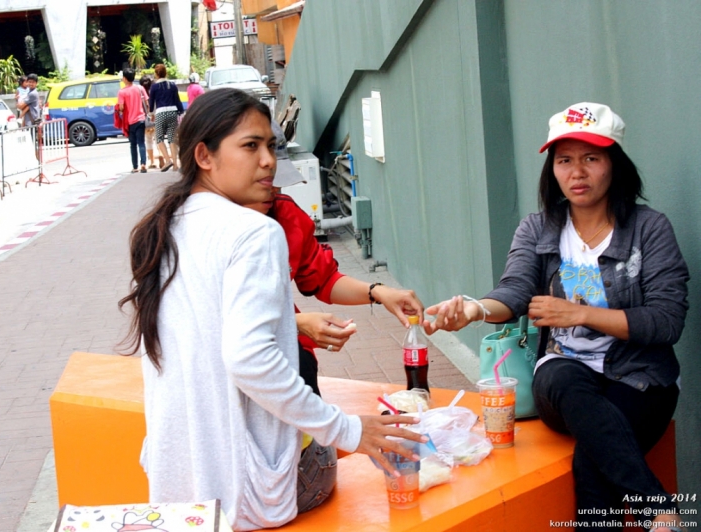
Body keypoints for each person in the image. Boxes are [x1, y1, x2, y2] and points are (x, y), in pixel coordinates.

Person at [119, 88, 427, 531]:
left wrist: (375, 291)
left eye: (270, 146)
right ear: (204, 156)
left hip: (180, 484)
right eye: (250, 146)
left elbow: (316, 281)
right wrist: (349, 431)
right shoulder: (252, 231)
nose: (268, 161)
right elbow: (249, 358)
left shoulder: (165, 227)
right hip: (248, 488)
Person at [425, 102, 688, 532]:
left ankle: (656, 514)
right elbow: (513, 291)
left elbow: (666, 321)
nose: (577, 173)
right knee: (562, 377)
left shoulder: (649, 229)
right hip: (565, 378)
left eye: (591, 158)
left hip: (640, 377)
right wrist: (473, 309)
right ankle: (658, 510)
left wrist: (580, 313)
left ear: (614, 164)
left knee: (593, 465)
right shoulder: (537, 229)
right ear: (552, 169)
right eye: (564, 160)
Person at [245, 121, 425, 396]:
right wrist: (294, 325)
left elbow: (323, 279)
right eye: (266, 183)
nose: (275, 192)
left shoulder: (287, 217)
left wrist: (379, 292)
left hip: (290, 361)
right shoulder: (191, 235)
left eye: (278, 183)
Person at [148, 63, 184, 172]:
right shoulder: (172, 85)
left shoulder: (154, 86)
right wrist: (181, 111)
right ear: (166, 73)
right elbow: (177, 100)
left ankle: (168, 160)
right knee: (172, 138)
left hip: (161, 113)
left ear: (156, 74)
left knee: (159, 137)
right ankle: (175, 164)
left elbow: (151, 102)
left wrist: (151, 113)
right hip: (173, 112)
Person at [116, 68, 148, 173]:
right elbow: (147, 103)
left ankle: (135, 167)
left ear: (125, 78)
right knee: (141, 143)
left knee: (133, 144)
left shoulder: (122, 92)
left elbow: (121, 108)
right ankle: (143, 163)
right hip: (141, 119)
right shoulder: (140, 88)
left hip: (130, 121)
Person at [139, 75, 161, 169]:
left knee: (148, 141)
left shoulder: (141, 94)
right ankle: (161, 156)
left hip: (146, 120)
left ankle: (152, 161)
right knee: (158, 139)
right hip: (157, 117)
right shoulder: (156, 91)